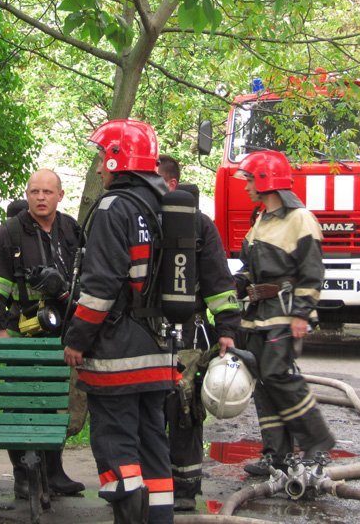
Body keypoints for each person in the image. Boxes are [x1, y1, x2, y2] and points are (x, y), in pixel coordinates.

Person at [63, 119, 175, 524]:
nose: (97, 168)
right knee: (153, 451)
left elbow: (99, 291)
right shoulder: (166, 205)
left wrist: (76, 338)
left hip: (116, 357)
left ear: (117, 157)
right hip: (158, 350)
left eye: (100, 157)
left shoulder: (114, 208)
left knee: (116, 451)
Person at [0, 169, 85, 498]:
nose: (40, 197)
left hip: (63, 330)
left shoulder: (71, 230)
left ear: (60, 195)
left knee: (56, 405)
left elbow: (89, 277)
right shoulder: (8, 233)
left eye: (47, 192)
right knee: (23, 406)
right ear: (27, 195)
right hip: (23, 333)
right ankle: (24, 476)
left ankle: (53, 473)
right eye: (34, 191)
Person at [233, 150, 335, 476]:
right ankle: (275, 454)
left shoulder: (300, 219)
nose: (247, 186)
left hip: (284, 312)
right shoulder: (261, 218)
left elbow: (312, 271)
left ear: (266, 181)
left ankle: (317, 442)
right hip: (258, 313)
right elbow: (250, 271)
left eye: (250, 179)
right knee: (263, 381)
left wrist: (302, 314)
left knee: (278, 375)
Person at [156, 155, 241, 512]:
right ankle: (153, 486)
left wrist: (226, 331)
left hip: (189, 333)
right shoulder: (138, 218)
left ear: (172, 184)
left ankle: (186, 490)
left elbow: (219, 282)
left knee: (184, 410)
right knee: (148, 410)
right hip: (142, 331)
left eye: (157, 180)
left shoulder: (200, 226)